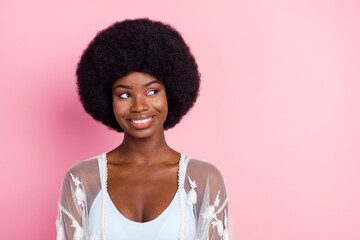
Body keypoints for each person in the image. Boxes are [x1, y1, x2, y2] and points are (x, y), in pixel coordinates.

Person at [56, 18, 232, 240]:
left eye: (151, 92)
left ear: (171, 93)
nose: (139, 106)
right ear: (107, 100)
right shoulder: (82, 179)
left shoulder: (204, 179)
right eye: (125, 95)